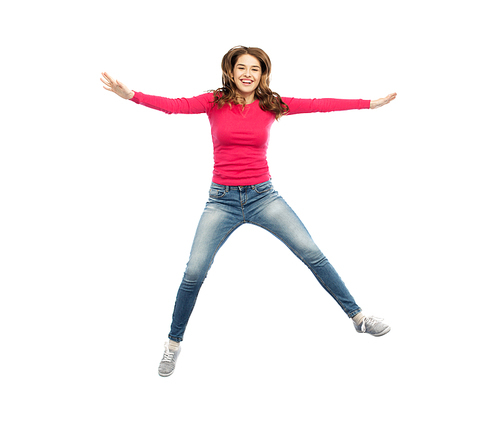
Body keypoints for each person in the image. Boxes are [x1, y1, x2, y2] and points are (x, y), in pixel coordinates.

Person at [101, 45, 397, 377]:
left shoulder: (272, 104)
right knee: (194, 271)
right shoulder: (215, 101)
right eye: (241, 67)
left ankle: (359, 318)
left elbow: (318, 105)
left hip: (263, 197)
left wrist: (368, 104)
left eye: (254, 69)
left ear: (262, 74)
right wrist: (131, 96)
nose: (247, 74)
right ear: (230, 70)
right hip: (222, 201)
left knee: (312, 252)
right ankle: (172, 345)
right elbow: (175, 106)